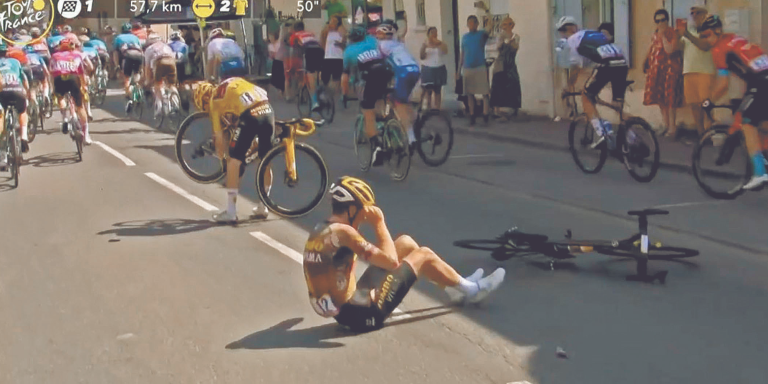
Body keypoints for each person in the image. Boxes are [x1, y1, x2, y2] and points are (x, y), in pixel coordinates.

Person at [303, 176, 506, 332]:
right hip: (361, 314)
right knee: (423, 254)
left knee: (405, 243)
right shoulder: (345, 232)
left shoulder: (321, 229)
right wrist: (379, 222)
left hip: (345, 309)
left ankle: (453, 286)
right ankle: (473, 290)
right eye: (363, 212)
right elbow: (391, 262)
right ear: (351, 210)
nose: (364, 218)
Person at [699, 15, 768, 190]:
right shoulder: (734, 39)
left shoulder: (718, 50)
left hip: (761, 82)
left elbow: (723, 84)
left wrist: (709, 101)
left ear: (717, 31)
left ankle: (760, 172)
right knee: (763, 122)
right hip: (760, 80)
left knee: (747, 123)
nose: (705, 40)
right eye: (702, 36)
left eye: (707, 35)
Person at [192, 79, 275, 222]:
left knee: (233, 162)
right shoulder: (229, 83)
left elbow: (219, 138)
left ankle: (231, 212)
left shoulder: (213, 101)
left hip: (251, 115)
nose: (207, 110)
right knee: (265, 161)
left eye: (204, 107)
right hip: (267, 109)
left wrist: (222, 157)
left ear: (205, 98)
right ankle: (263, 206)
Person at [557, 16, 629, 148]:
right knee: (617, 105)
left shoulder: (573, 41)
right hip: (621, 61)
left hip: (607, 63)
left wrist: (568, 87)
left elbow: (576, 69)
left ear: (569, 30)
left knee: (586, 96)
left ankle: (603, 131)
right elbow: (591, 64)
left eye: (563, 31)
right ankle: (631, 136)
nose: (563, 35)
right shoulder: (590, 35)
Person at [341, 26, 392, 167]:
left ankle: (377, 147)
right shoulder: (372, 40)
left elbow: (345, 78)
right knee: (381, 100)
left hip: (370, 76)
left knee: (367, 110)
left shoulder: (349, 51)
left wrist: (344, 95)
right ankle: (390, 127)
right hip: (386, 71)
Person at [376, 20, 420, 151]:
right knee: (404, 100)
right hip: (415, 70)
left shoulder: (381, 46)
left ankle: (411, 138)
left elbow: (378, 65)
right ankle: (415, 122)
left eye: (377, 34)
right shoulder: (398, 43)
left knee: (398, 103)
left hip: (402, 72)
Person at [676, 5, 715, 137]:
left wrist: (686, 34)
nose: (694, 15)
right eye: (692, 13)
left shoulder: (710, 29)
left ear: (704, 14)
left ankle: (712, 132)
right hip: (689, 71)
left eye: (697, 13)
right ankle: (701, 133)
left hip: (705, 71)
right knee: (693, 104)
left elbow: (705, 46)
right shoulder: (690, 31)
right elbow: (679, 48)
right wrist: (676, 36)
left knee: (707, 104)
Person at [643, 9, 683, 137]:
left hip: (670, 70)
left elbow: (670, 50)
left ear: (667, 20)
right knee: (660, 99)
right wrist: (646, 61)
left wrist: (664, 36)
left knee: (670, 98)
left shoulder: (672, 33)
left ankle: (672, 127)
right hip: (657, 70)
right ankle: (665, 124)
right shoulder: (655, 34)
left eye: (662, 20)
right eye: (657, 21)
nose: (660, 23)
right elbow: (652, 47)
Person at [50, 38, 93, 144]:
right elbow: (91, 67)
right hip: (73, 78)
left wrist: (52, 87)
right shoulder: (79, 54)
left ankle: (65, 118)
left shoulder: (55, 56)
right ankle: (86, 134)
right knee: (80, 106)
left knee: (60, 97)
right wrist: (88, 76)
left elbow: (51, 71)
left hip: (59, 78)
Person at [457, 13, 494, 126]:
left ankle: (485, 115)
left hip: (480, 66)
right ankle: (472, 115)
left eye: (473, 23)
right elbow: (462, 54)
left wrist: (486, 11)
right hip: (468, 67)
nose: (471, 25)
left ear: (477, 24)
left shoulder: (481, 34)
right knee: (469, 93)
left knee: (484, 92)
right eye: (469, 23)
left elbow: (490, 26)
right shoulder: (464, 37)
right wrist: (458, 70)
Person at [0, 41, 30, 159]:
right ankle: (23, 136)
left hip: (2, 92)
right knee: (23, 111)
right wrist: (26, 93)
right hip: (17, 89)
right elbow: (24, 79)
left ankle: (2, 147)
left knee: (1, 116)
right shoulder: (15, 62)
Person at [490, 17, 522, 120]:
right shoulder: (500, 36)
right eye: (503, 24)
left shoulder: (515, 36)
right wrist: (503, 39)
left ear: (511, 25)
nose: (503, 27)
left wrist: (509, 41)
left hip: (510, 63)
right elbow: (498, 47)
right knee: (498, 85)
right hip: (501, 63)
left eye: (505, 24)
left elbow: (515, 47)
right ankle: (496, 110)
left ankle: (513, 108)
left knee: (513, 83)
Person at [288, 21, 324, 111]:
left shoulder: (294, 36)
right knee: (317, 71)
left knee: (309, 74)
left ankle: (315, 101)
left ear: (294, 29)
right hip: (320, 50)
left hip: (309, 51)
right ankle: (321, 89)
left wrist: (292, 65)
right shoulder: (310, 33)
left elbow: (294, 52)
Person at [143, 34, 178, 119]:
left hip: (159, 61)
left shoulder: (149, 49)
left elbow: (147, 67)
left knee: (157, 84)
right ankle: (176, 103)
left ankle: (160, 106)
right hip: (171, 62)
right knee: (171, 84)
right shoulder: (167, 46)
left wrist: (148, 80)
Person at [113, 23, 144, 114]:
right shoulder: (135, 38)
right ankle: (138, 93)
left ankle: (129, 97)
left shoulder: (118, 38)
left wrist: (117, 65)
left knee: (127, 78)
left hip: (128, 56)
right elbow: (141, 50)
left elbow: (115, 53)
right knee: (137, 75)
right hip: (139, 56)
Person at [419, 26, 448, 111]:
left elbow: (445, 51)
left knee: (437, 89)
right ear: (428, 34)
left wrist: (439, 43)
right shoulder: (425, 43)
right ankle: (426, 107)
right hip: (428, 67)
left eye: (435, 32)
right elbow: (422, 56)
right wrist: (424, 47)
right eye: (432, 32)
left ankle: (437, 108)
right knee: (427, 89)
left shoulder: (440, 43)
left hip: (439, 67)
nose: (434, 34)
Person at [320, 15, 346, 103]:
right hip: (328, 57)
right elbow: (322, 38)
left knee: (337, 78)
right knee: (324, 77)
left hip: (338, 57)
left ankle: (334, 97)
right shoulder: (327, 31)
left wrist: (341, 44)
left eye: (335, 21)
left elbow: (345, 41)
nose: (332, 22)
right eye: (331, 20)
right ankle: (326, 94)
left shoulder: (341, 30)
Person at [168, 30, 190, 110]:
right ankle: (185, 94)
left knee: (172, 83)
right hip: (182, 64)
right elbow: (187, 57)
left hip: (172, 64)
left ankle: (175, 100)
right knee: (182, 82)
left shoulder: (168, 45)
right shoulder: (184, 45)